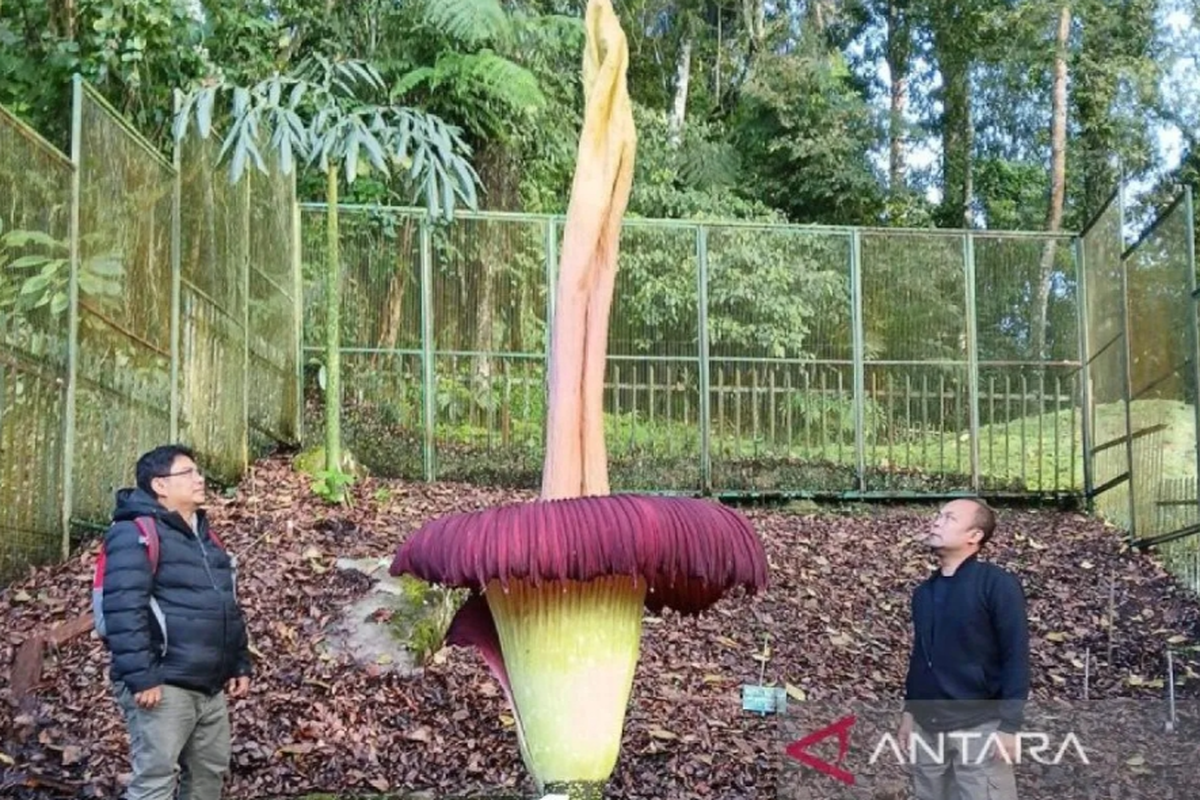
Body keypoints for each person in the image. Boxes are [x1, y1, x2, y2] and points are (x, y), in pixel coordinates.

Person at [99, 444, 252, 800]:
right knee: (155, 780)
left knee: (208, 776)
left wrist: (238, 663)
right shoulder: (132, 533)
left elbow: (226, 604)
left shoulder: (205, 537)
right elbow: (124, 609)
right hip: (163, 685)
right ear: (160, 485)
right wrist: (142, 677)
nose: (200, 479)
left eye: (199, 472)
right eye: (189, 473)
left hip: (210, 685)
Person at [898, 497, 1030, 800]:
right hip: (928, 726)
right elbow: (922, 656)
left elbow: (1016, 656)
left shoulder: (996, 584)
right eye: (938, 515)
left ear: (975, 536)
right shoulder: (924, 593)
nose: (936, 522)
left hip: (980, 726)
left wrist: (1010, 724)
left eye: (949, 518)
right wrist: (910, 711)